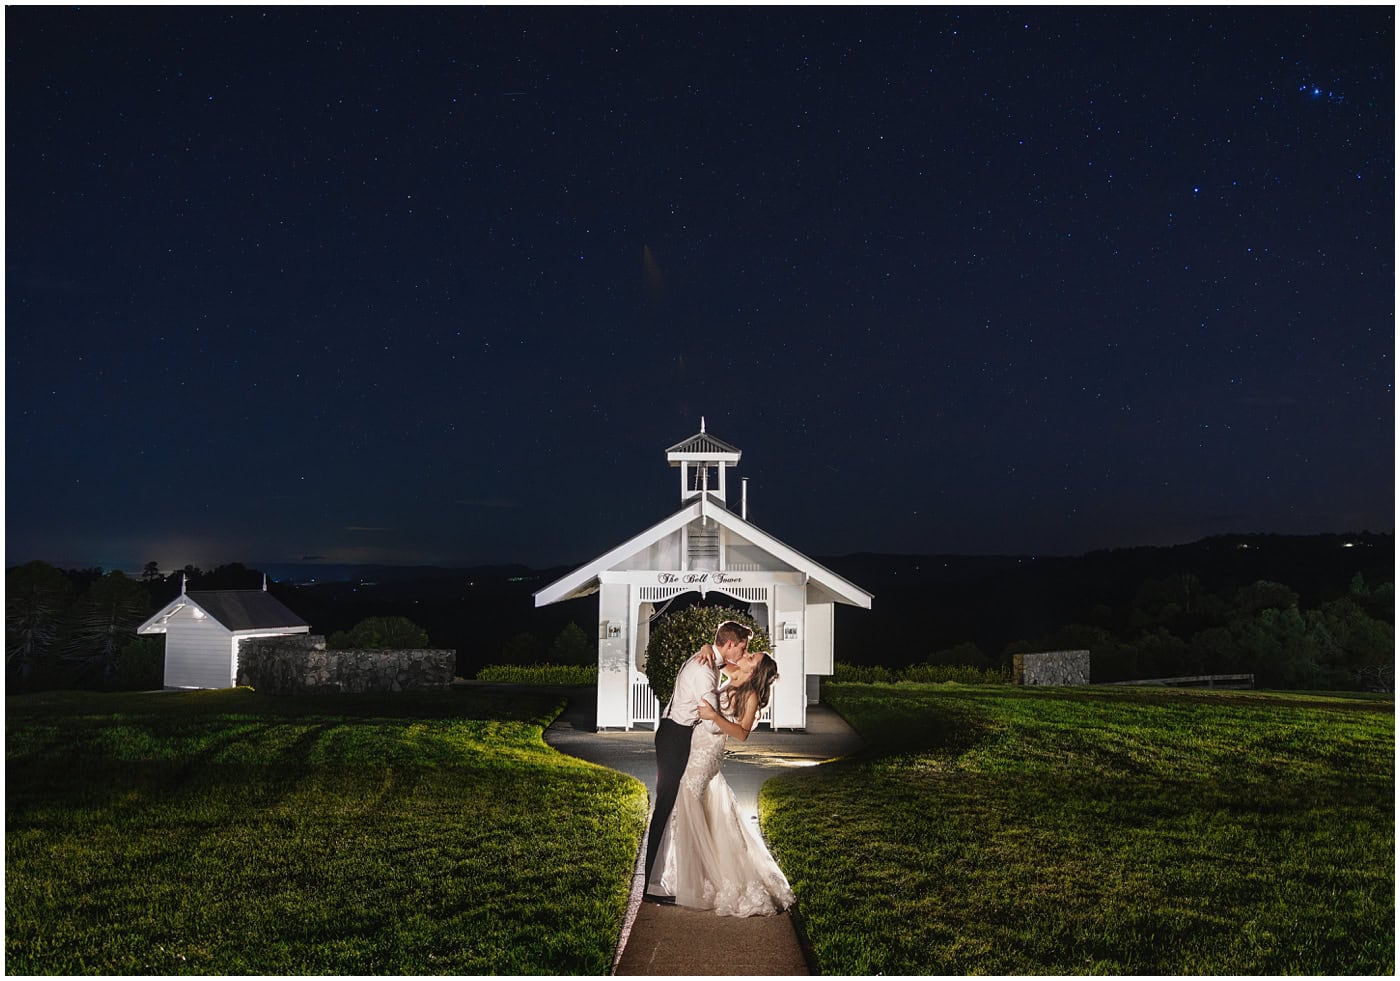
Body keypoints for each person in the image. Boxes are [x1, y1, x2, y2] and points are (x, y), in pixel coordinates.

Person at [647, 644, 796, 917]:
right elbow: (716, 656)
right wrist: (706, 646)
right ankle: (692, 871)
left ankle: (693, 879)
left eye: (752, 658)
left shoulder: (750, 695)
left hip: (707, 752)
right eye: (750, 653)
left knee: (687, 800)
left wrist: (714, 716)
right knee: (693, 806)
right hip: (696, 743)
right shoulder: (734, 673)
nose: (747, 656)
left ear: (756, 671)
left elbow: (741, 733)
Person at [643, 620, 754, 899]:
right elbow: (713, 722)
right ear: (729, 645)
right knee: (667, 806)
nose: (743, 653)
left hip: (676, 734)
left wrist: (707, 645)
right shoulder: (705, 670)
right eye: (742, 647)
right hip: (676, 737)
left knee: (672, 805)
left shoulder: (708, 659)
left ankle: (659, 879)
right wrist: (731, 723)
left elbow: (733, 671)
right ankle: (651, 885)